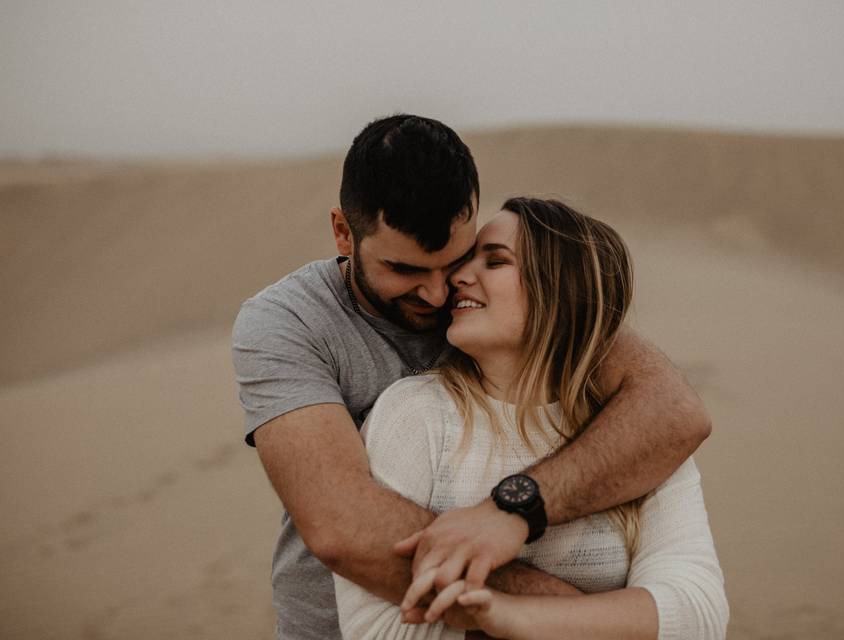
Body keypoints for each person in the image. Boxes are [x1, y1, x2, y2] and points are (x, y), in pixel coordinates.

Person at [232, 115, 712, 640]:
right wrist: (575, 616)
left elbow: (674, 410)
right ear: (344, 233)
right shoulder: (289, 322)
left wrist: (514, 510)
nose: (439, 294)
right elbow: (345, 529)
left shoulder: (497, 302)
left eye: (455, 260)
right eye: (406, 270)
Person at [333, 198, 728, 639]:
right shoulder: (414, 414)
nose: (457, 278)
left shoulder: (632, 435)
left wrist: (511, 617)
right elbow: (377, 629)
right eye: (467, 261)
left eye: (496, 261)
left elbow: (696, 617)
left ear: (560, 289)